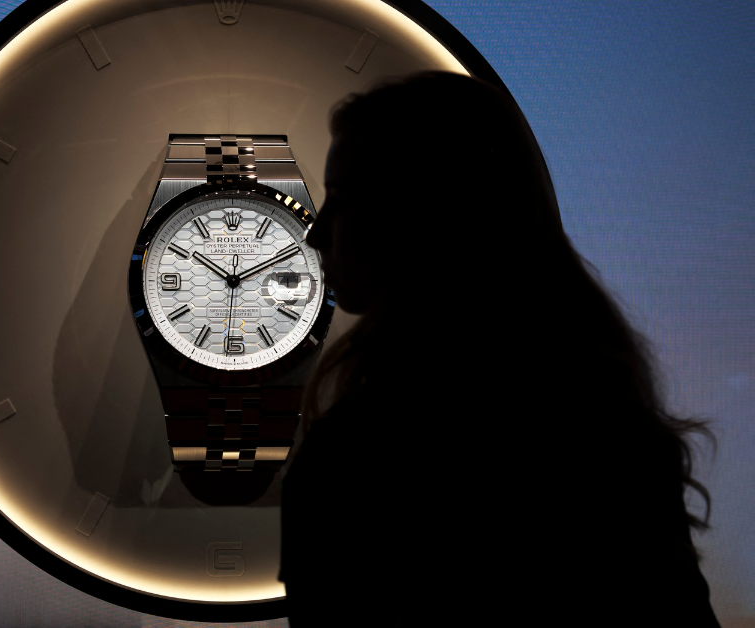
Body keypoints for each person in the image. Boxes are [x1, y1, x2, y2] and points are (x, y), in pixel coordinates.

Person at [279, 72, 719, 626]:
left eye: (343, 201)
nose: (315, 233)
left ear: (422, 215)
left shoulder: (349, 462)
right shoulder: (612, 434)